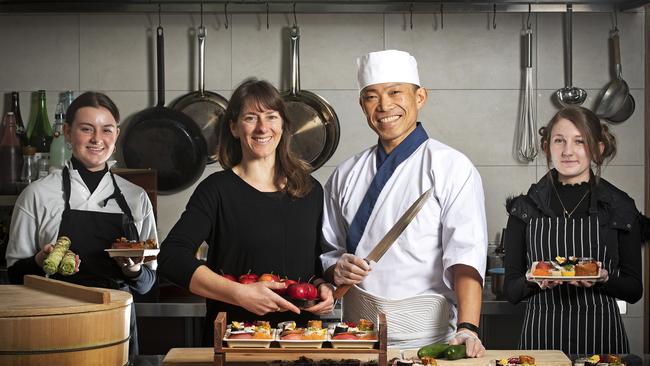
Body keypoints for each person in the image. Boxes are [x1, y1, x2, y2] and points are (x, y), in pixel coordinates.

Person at [320, 50, 487, 355]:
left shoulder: (452, 167)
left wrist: (468, 327)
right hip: (357, 339)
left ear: (420, 97)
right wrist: (335, 269)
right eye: (372, 96)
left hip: (429, 342)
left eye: (396, 92)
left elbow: (466, 256)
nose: (384, 106)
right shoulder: (344, 175)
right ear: (362, 105)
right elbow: (328, 252)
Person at [158, 78, 334, 346]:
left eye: (271, 117)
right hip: (236, 341)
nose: (262, 127)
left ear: (283, 125)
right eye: (251, 118)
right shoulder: (216, 190)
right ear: (234, 127)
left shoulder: (310, 190)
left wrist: (324, 287)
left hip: (300, 341)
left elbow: (314, 265)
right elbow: (172, 257)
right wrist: (239, 294)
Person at [5, 91, 158, 360]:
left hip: (117, 328)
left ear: (117, 134)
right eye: (86, 129)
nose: (97, 139)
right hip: (53, 327)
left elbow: (147, 284)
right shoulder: (38, 194)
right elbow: (15, 274)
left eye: (106, 130)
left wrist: (134, 270)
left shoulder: (136, 198)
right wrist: (40, 260)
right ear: (67, 132)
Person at [503, 106, 643, 354]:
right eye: (559, 141)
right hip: (541, 342)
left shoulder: (620, 207)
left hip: (602, 340)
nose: (568, 151)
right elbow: (512, 292)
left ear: (597, 149)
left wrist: (604, 279)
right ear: (547, 147)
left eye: (580, 142)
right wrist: (532, 280)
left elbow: (634, 290)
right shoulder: (524, 209)